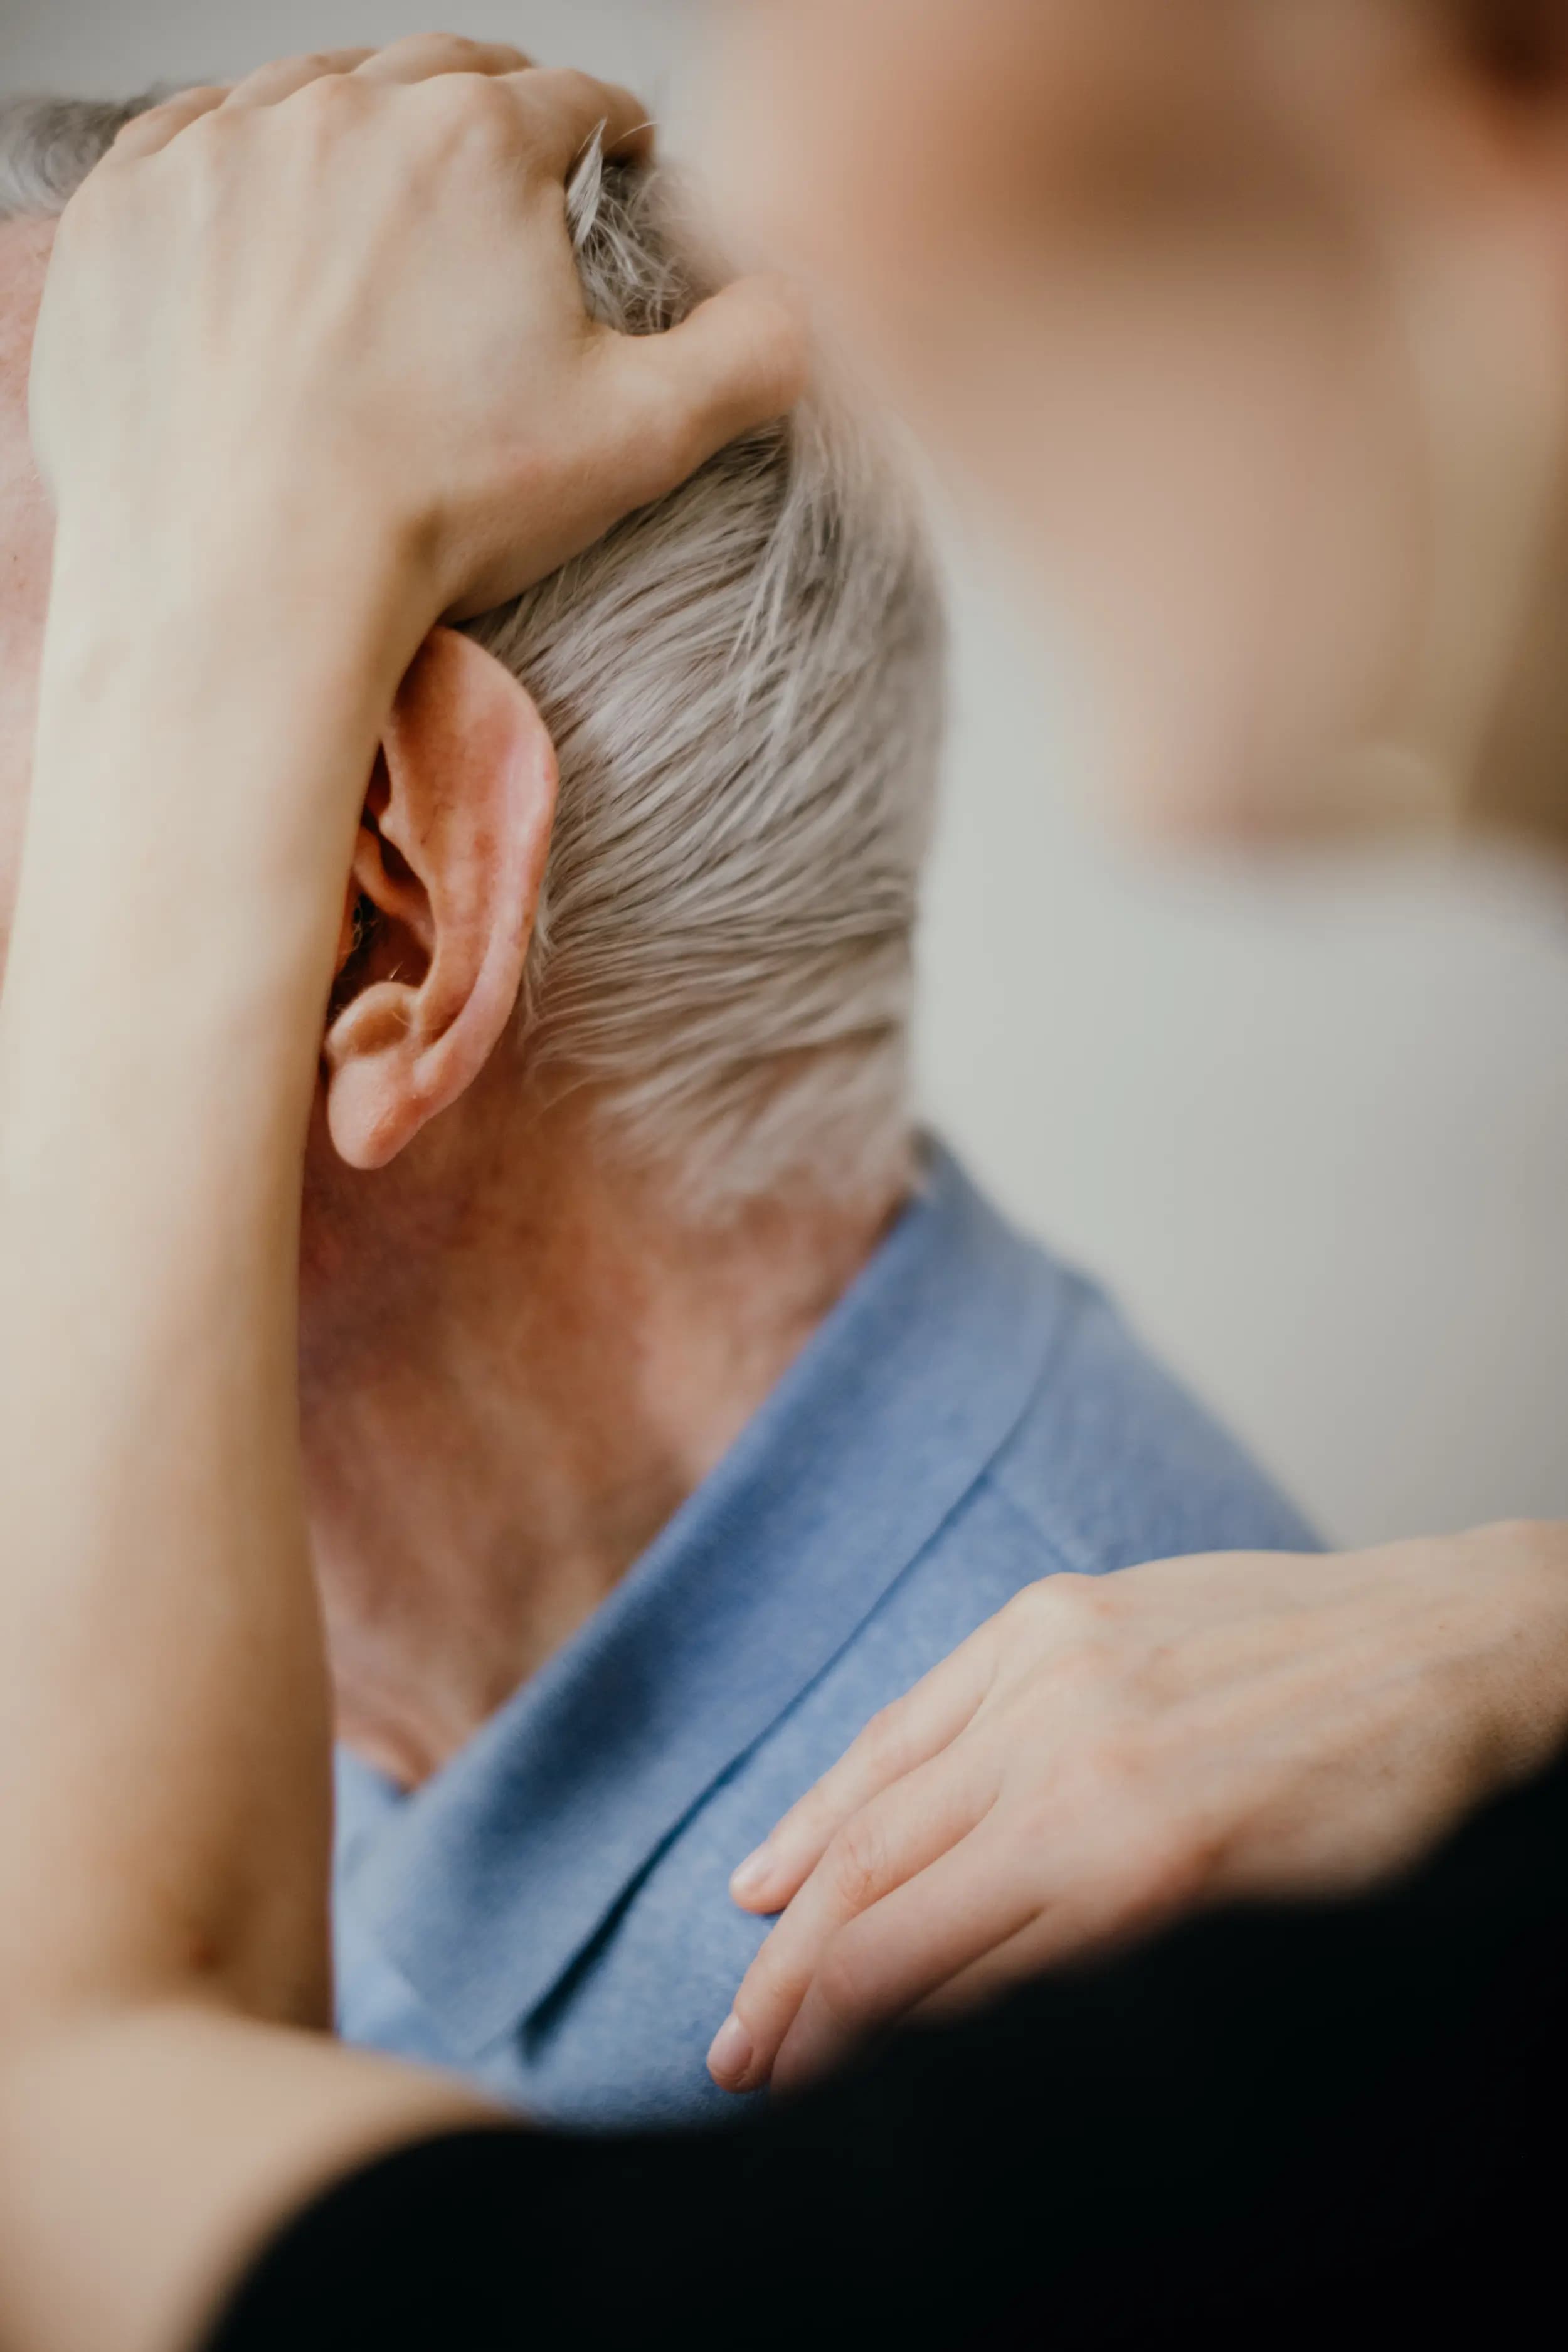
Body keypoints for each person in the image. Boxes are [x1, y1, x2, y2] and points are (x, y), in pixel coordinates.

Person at [1, 16, 1567, 2352]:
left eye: (152, 679)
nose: (809, 155)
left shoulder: (1105, 2035)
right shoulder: (230, 1663)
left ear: (390, 926)